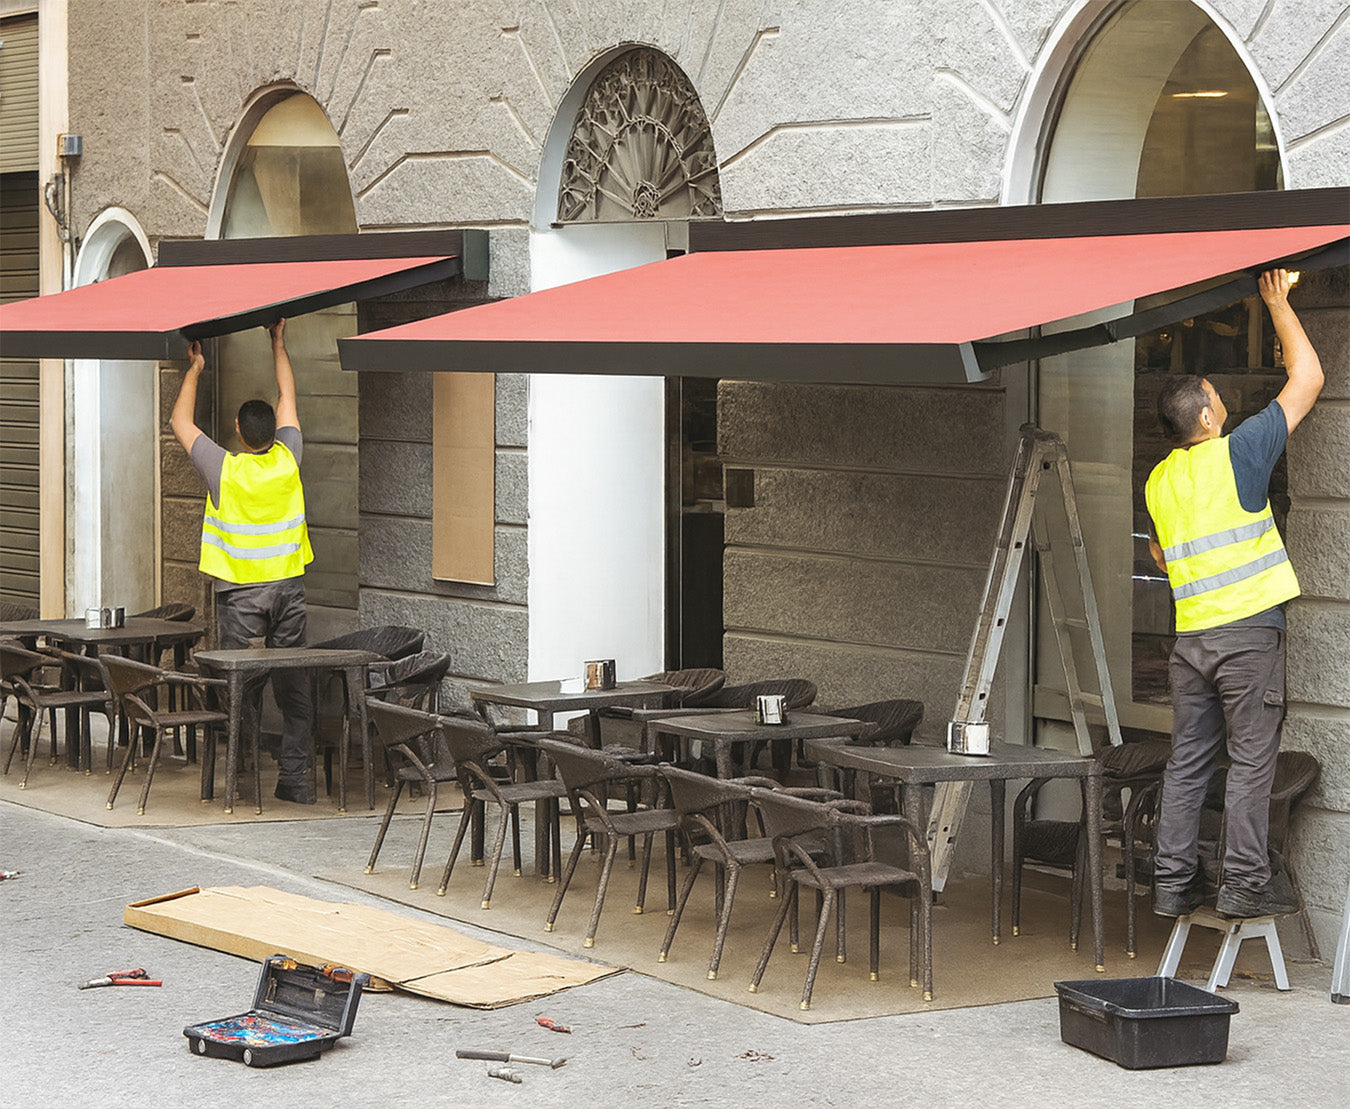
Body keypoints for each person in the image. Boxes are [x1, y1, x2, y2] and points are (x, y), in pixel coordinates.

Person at [1145, 269, 1322, 919]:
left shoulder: (1162, 481)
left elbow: (1161, 556)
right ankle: (1244, 881)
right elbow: (1307, 380)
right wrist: (1275, 301)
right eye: (1215, 395)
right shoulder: (1241, 451)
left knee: (1189, 760)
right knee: (1251, 760)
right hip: (1248, 635)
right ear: (1207, 414)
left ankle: (1172, 880)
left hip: (1192, 639)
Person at [171, 319, 317, 804]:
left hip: (241, 599)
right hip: (288, 593)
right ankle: (296, 782)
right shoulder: (289, 457)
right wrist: (277, 342)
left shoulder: (224, 469)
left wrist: (196, 368)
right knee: (293, 687)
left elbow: (180, 424)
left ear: (237, 430)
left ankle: (240, 779)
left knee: (240, 687)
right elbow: (287, 392)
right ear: (276, 429)